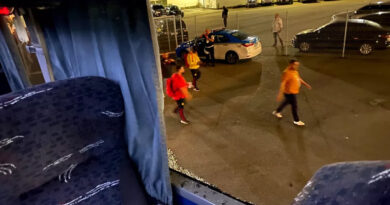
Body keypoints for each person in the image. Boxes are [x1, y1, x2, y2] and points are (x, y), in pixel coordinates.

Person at [272, 59, 312, 126]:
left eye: (298, 65)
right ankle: (296, 120)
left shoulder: (295, 71)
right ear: (291, 64)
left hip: (294, 91)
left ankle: (277, 111)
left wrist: (306, 84)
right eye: (295, 65)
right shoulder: (287, 72)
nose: (297, 66)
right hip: (289, 92)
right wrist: (280, 94)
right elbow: (283, 83)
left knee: (286, 102)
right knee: (294, 106)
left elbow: (298, 78)